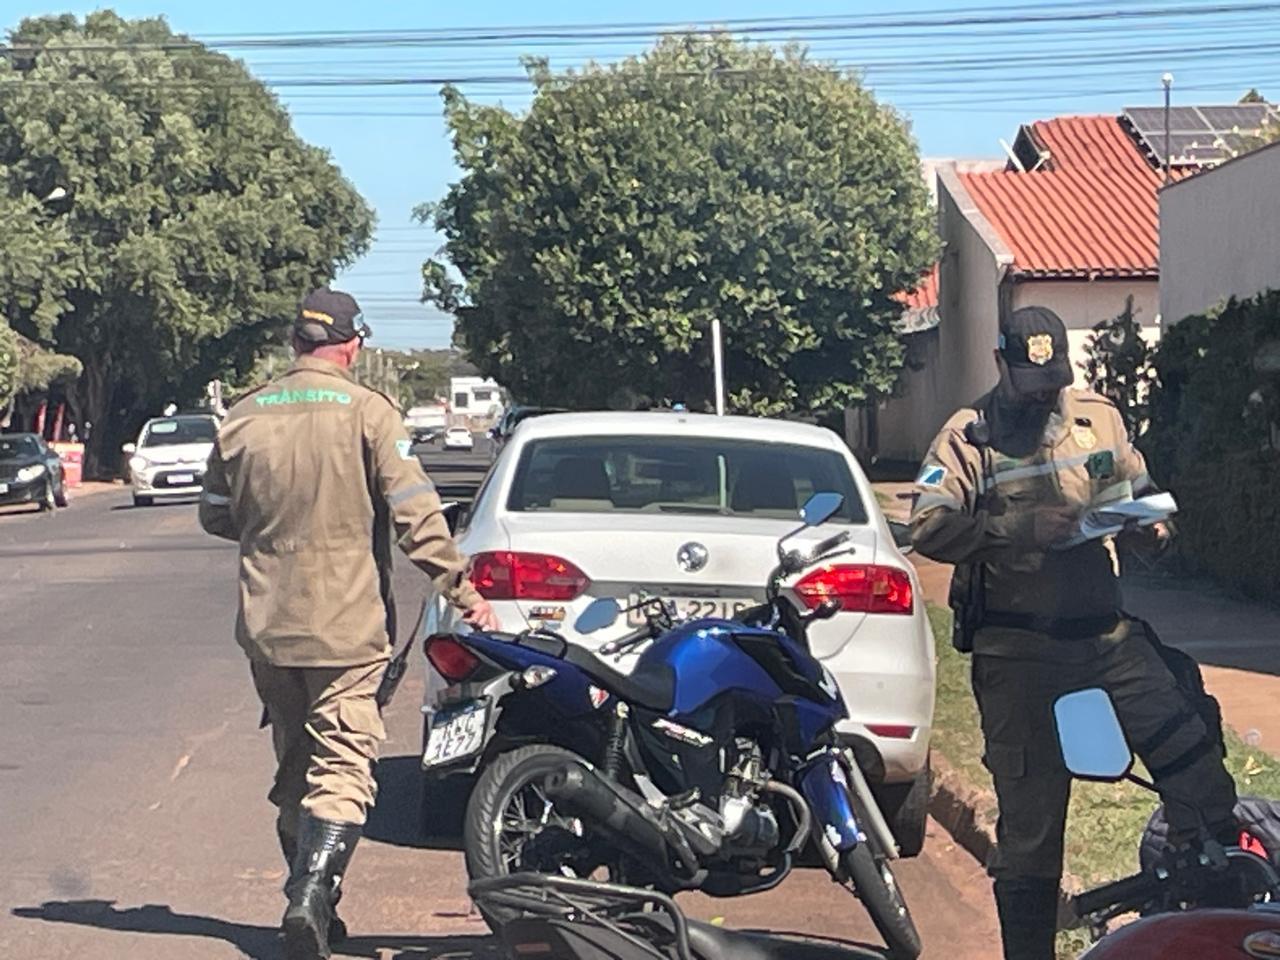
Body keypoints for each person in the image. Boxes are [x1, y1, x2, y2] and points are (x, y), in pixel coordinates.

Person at [909, 305, 1238, 960]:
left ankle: (1210, 924)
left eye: (1054, 379)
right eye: (1031, 381)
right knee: (1031, 832)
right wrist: (1014, 532)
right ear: (1001, 365)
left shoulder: (1100, 421)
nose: (1045, 396)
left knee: (1197, 767)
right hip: (1018, 654)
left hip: (1106, 640)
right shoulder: (967, 437)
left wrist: (1152, 532)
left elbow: (1142, 497)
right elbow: (928, 526)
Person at [199, 287, 498, 960]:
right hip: (347, 625)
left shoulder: (244, 416)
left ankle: (314, 903)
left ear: (294, 345)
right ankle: (309, 895)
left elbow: (215, 513)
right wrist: (461, 587)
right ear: (352, 345)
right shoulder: (368, 413)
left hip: (268, 623)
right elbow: (416, 513)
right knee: (343, 764)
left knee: (297, 768)